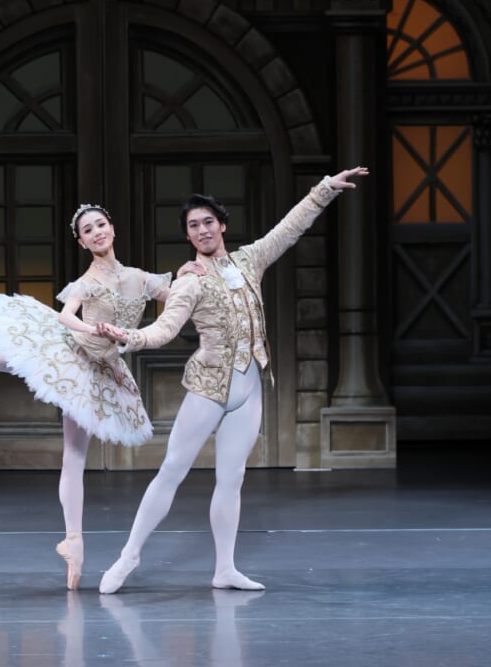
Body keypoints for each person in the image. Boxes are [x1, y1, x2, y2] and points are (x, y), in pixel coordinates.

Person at [95, 166, 370, 593]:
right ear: (188, 236)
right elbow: (165, 329)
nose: (202, 230)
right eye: (193, 226)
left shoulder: (248, 260)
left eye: (208, 222)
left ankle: (224, 569)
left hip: (249, 388)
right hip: (208, 388)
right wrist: (129, 337)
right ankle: (128, 556)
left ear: (222, 225)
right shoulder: (190, 280)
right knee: (172, 469)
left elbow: (288, 229)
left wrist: (325, 189)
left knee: (232, 478)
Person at [0, 203, 203, 591]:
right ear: (82, 242)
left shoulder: (141, 278)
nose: (97, 232)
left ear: (112, 229)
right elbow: (67, 316)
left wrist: (187, 274)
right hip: (71, 351)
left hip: (101, 369)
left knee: (74, 455)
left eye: (101, 225)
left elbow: (180, 302)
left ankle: (74, 542)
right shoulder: (86, 282)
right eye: (88, 230)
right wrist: (94, 329)